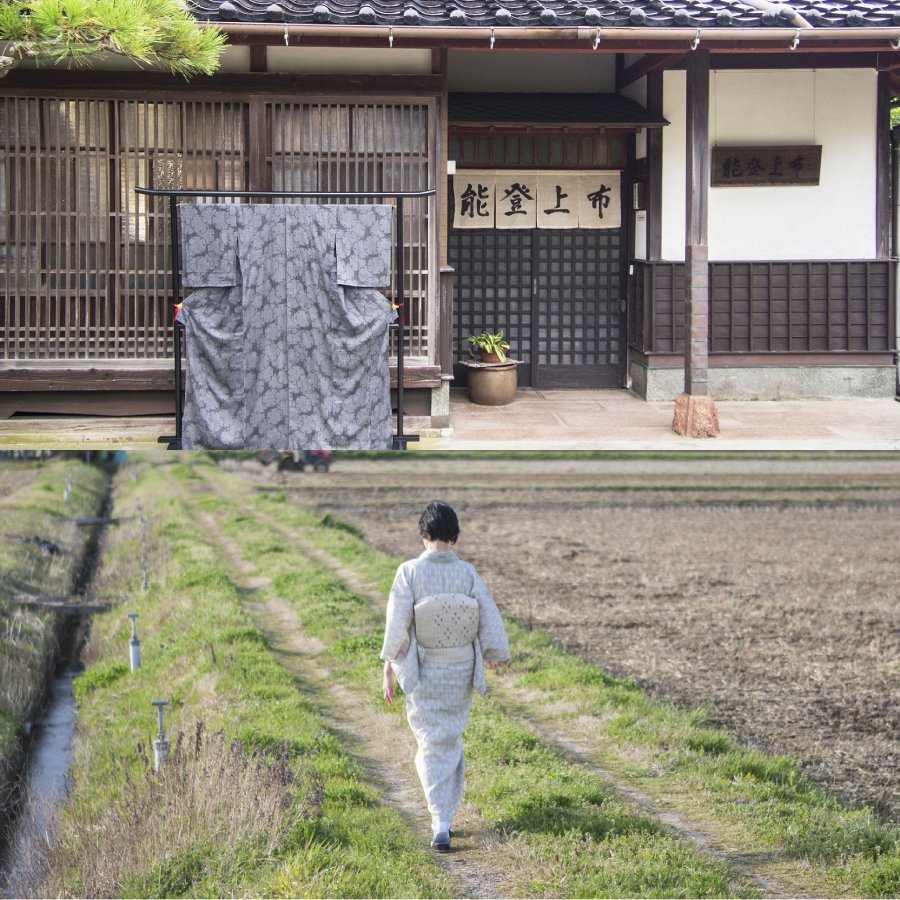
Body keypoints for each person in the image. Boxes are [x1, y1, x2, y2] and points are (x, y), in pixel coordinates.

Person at [380, 500, 510, 853]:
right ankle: (444, 818)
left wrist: (389, 665)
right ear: (455, 535)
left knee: (430, 741)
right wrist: (496, 653)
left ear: (423, 534)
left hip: (426, 670)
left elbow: (398, 625)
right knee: (448, 738)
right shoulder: (466, 573)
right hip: (460, 669)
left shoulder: (408, 571)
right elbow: (488, 614)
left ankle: (440, 819)